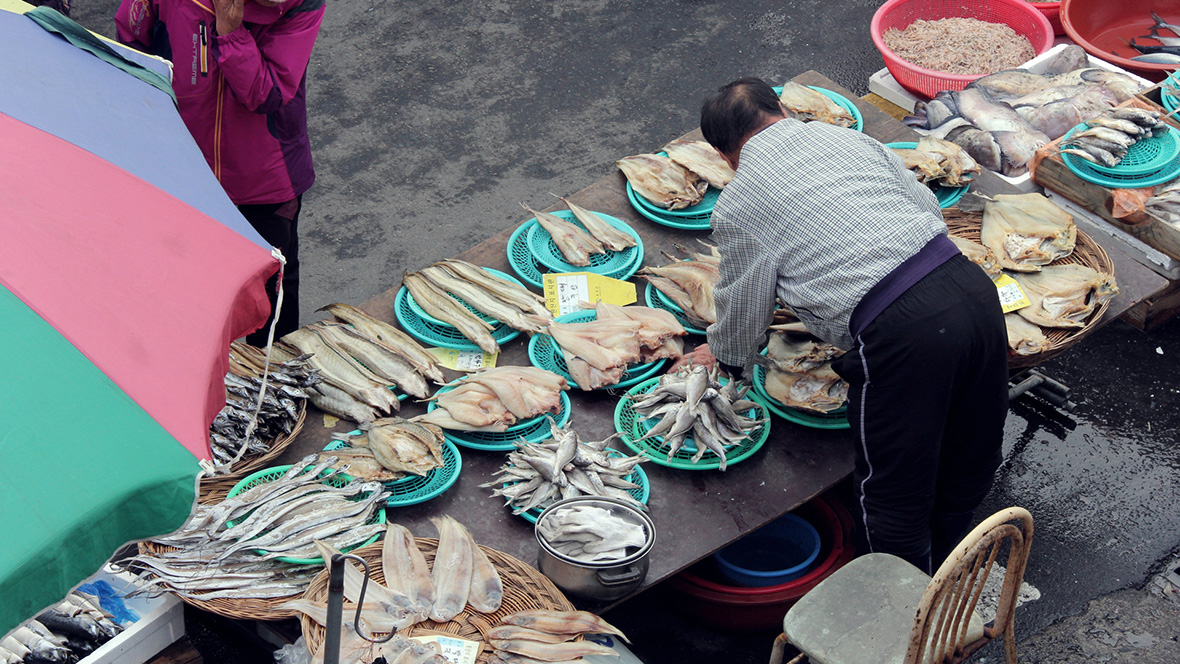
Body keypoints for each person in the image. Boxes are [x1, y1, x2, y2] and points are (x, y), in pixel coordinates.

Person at [687, 77, 1009, 574]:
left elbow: (744, 298)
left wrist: (725, 356)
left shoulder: (741, 201)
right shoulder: (848, 139)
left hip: (903, 333)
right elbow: (926, 211)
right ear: (779, 112)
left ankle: (900, 618)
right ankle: (951, 561)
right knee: (969, 444)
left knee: (891, 490)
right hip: (968, 287)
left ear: (726, 153)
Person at [116, 0, 325, 346]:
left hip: (267, 176)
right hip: (184, 167)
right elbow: (131, 40)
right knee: (190, 288)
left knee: (272, 291)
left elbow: (266, 92)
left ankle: (272, 386)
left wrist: (231, 33)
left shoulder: (301, 7)